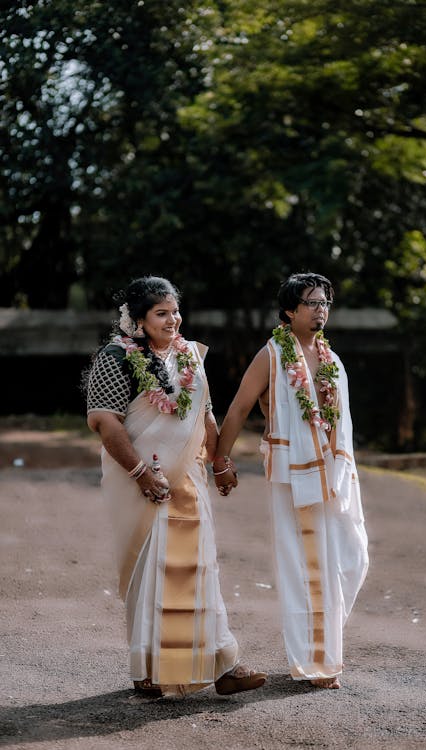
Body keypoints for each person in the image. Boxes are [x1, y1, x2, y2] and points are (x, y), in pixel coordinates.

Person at [85, 275, 266, 697]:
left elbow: (204, 416)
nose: (172, 320)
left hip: (189, 481)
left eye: (175, 311)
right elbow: (105, 422)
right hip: (140, 483)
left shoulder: (190, 357)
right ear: (137, 319)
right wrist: (140, 474)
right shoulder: (115, 358)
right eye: (161, 313)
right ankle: (147, 669)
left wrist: (220, 462)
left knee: (200, 569)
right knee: (150, 574)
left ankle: (223, 663)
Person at [213, 272, 369, 689]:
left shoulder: (330, 359)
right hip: (292, 476)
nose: (321, 311)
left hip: (334, 475)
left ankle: (324, 643)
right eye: (312, 303)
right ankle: (318, 663)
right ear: (290, 311)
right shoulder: (273, 355)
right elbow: (239, 406)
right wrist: (219, 459)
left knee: (354, 558)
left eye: (325, 304)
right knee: (307, 569)